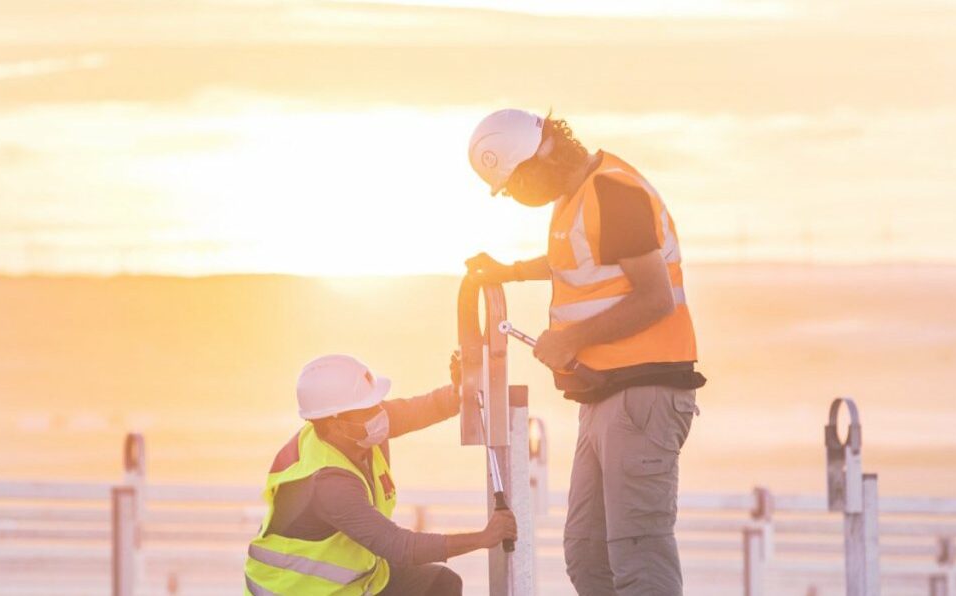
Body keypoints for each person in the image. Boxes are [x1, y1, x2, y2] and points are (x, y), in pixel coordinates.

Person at [464, 108, 707, 595]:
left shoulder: (613, 192)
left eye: (513, 184)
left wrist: (572, 339)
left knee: (639, 558)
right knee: (587, 555)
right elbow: (574, 262)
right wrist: (508, 272)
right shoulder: (576, 196)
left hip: (643, 395)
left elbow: (655, 298)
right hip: (605, 395)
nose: (513, 196)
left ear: (538, 159)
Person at [243, 354, 518, 595]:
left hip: (351, 584)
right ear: (334, 424)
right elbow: (400, 547)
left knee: (439, 585)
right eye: (368, 409)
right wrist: (483, 538)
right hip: (296, 592)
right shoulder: (328, 484)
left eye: (376, 402)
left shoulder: (358, 431)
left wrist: (459, 391)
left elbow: (420, 409)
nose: (380, 413)